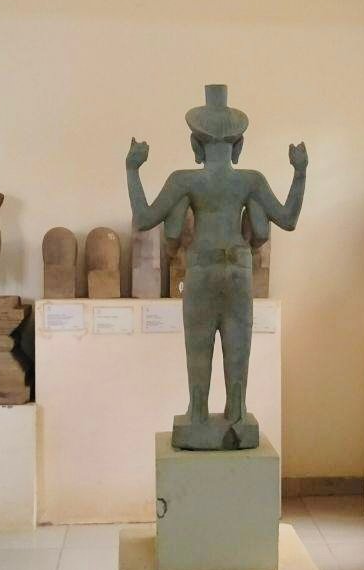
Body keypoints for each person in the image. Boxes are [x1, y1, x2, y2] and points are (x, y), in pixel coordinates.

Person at [126, 85, 307, 449]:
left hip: (202, 271)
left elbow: (145, 218)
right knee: (238, 343)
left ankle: (197, 415)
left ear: (196, 145)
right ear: (239, 147)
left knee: (199, 344)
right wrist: (300, 172)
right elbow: (286, 219)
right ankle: (236, 415)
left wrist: (132, 169)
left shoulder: (185, 180)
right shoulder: (250, 180)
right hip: (238, 271)